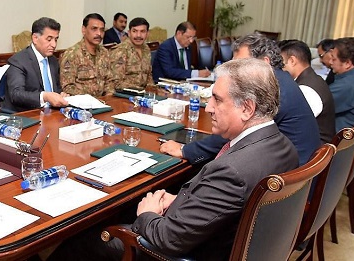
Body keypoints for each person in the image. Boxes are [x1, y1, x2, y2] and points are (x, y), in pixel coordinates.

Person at [48, 58, 298, 261]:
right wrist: (183, 199)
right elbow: (225, 203)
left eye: (217, 99)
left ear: (247, 108)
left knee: (82, 240)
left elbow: (167, 240)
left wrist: (147, 214)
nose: (208, 107)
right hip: (218, 235)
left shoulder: (233, 172)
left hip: (184, 251)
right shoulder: (283, 146)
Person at [161, 33, 320, 166]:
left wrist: (185, 151)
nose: (235, 71)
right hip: (292, 172)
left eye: (241, 64)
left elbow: (234, 134)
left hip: (288, 184)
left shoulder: (274, 90)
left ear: (264, 63)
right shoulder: (281, 80)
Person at [2, 17, 69, 112]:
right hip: (27, 115)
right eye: (49, 39)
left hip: (52, 114)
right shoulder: (18, 61)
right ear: (35, 38)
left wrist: (61, 95)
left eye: (56, 39)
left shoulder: (53, 61)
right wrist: (44, 96)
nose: (54, 45)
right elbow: (16, 94)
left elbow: (57, 89)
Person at [279, 39, 335, 144]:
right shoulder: (314, 79)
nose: (279, 69)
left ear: (292, 61)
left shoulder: (306, 90)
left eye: (281, 64)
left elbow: (292, 126)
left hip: (317, 153)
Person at [60, 13, 114, 96]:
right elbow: (67, 87)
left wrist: (109, 97)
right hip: (82, 105)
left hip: (103, 104)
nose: (99, 33)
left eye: (102, 30)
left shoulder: (105, 53)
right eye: (94, 29)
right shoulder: (72, 54)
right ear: (84, 30)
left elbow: (109, 81)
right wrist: (90, 100)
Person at [109, 17, 153, 90]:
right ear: (129, 33)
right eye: (134, 31)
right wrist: (140, 90)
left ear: (147, 34)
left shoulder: (146, 49)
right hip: (125, 94)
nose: (138, 35)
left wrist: (152, 89)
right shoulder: (121, 50)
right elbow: (116, 83)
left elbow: (149, 76)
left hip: (143, 95)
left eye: (142, 31)